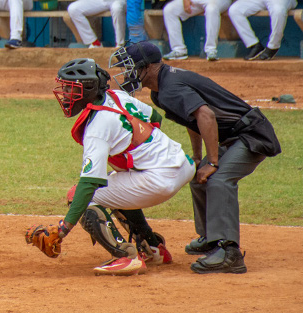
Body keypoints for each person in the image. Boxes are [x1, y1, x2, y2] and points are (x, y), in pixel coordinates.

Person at [109, 41, 281, 274]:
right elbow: (191, 120)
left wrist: (212, 161)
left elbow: (206, 116)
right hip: (235, 137)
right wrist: (199, 158)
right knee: (196, 175)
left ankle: (229, 252)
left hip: (252, 135)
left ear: (146, 67)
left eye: (130, 67)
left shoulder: (169, 87)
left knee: (219, 179)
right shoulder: (160, 91)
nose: (126, 73)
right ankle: (211, 237)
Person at [25, 58, 195, 276]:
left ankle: (125, 256)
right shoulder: (117, 96)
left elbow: (88, 184)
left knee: (82, 194)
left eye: (70, 88)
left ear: (86, 90)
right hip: (182, 165)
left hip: (158, 180)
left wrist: (63, 229)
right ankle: (152, 248)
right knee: (117, 182)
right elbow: (154, 117)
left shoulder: (98, 126)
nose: (65, 94)